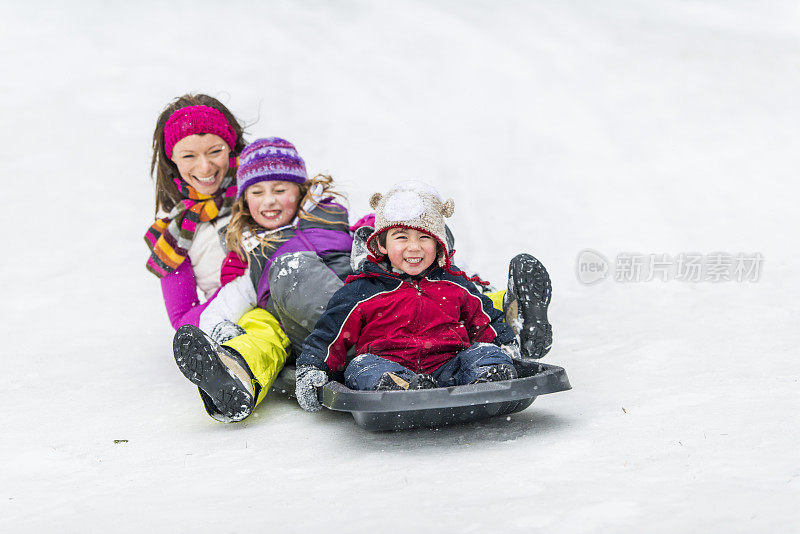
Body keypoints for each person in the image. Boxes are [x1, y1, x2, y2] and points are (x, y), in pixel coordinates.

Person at [295, 182, 524, 412]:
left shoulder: (454, 284)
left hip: (450, 368)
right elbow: (329, 335)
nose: (414, 247)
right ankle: (402, 388)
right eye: (401, 237)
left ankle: (489, 380)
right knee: (360, 367)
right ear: (382, 244)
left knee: (484, 353)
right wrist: (312, 368)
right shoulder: (362, 290)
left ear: (438, 243)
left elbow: (485, 320)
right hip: (387, 367)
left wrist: (505, 346)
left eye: (424, 237)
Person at [172, 137, 354, 421]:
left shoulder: (332, 220)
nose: (269, 200)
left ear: (300, 190)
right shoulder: (252, 253)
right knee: (261, 325)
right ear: (245, 200)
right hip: (306, 334)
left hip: (360, 311)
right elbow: (226, 301)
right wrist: (219, 329)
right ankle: (234, 375)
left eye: (280, 189)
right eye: (257, 192)